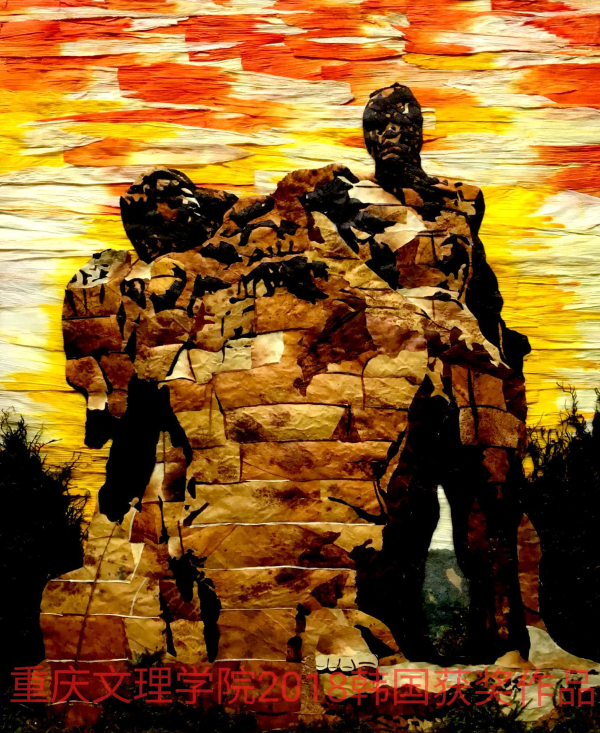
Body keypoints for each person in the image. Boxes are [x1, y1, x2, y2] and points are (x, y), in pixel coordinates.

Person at [42, 84, 530, 690]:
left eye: (404, 122)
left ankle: (506, 643)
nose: (393, 134)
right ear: (366, 135)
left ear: (422, 130)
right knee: (405, 508)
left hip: (472, 358)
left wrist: (499, 341)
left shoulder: (462, 198)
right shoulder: (345, 200)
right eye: (380, 124)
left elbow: (478, 279)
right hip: (401, 359)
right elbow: (248, 218)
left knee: (491, 501)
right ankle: (402, 644)